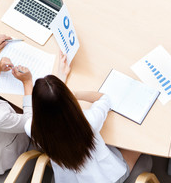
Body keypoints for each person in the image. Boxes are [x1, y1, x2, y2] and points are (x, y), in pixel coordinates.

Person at [15, 53, 141, 183]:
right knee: (139, 145)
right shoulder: (88, 121)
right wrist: (73, 94)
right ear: (68, 98)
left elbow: (37, 111)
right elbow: (104, 99)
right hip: (106, 178)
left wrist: (59, 79)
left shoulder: (32, 128)